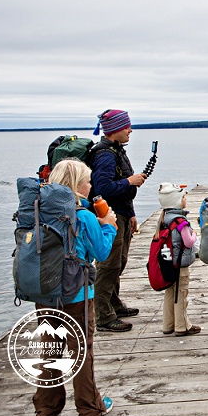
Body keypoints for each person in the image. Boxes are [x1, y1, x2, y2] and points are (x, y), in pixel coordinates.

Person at [33, 158, 117, 416]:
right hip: (77, 296)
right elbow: (101, 253)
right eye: (88, 181)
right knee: (81, 353)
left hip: (45, 294)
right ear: (77, 185)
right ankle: (90, 409)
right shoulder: (83, 215)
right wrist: (109, 226)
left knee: (50, 351)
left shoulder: (39, 211)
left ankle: (46, 412)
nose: (91, 185)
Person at [90, 109, 146, 332]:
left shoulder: (116, 150)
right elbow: (102, 188)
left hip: (121, 213)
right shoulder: (104, 154)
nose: (130, 130)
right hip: (108, 216)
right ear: (115, 130)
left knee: (119, 262)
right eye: (127, 127)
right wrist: (130, 181)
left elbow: (121, 187)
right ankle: (103, 316)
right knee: (108, 264)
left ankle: (114, 303)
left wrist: (131, 213)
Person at [156, 183, 201, 337]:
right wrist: (194, 234)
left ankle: (168, 324)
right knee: (181, 294)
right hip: (180, 264)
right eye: (183, 197)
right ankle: (182, 326)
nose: (185, 200)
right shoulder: (181, 222)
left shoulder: (163, 219)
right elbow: (188, 242)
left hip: (167, 263)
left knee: (170, 293)